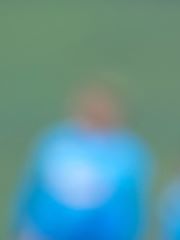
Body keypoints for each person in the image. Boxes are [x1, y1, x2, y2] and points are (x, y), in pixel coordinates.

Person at [12, 80, 151, 240]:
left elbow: (132, 205)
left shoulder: (128, 152)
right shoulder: (56, 143)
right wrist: (20, 227)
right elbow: (32, 190)